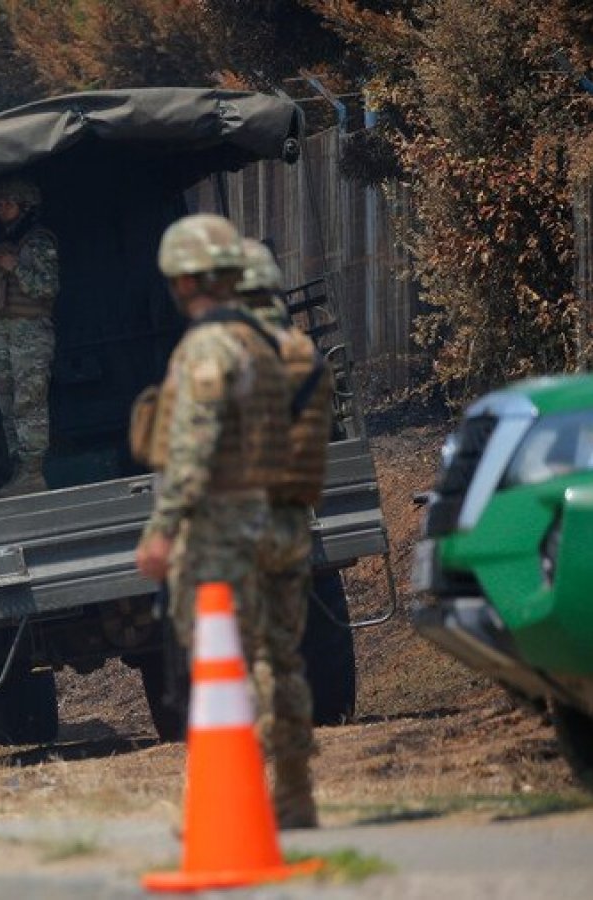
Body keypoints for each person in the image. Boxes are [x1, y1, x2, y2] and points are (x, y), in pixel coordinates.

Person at [133, 213, 291, 812]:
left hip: (218, 529)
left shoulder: (207, 347)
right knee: (258, 652)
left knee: (219, 660)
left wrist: (163, 527)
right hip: (260, 514)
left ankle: (236, 791)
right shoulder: (259, 339)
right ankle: (268, 784)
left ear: (183, 281)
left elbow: (193, 451)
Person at [237, 237, 331, 829]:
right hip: (294, 520)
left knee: (243, 665)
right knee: (287, 660)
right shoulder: (305, 355)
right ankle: (296, 792)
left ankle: (247, 792)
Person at [0, 177, 60, 499]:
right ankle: (19, 471)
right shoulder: (6, 243)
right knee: (6, 399)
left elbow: (48, 288)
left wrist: (14, 268)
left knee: (29, 401)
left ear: (25, 206)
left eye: (8, 203)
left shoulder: (38, 243)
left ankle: (33, 473)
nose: (1, 209)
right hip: (4, 332)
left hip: (30, 332)